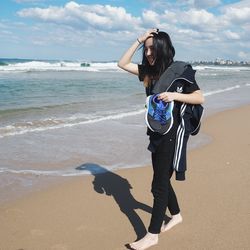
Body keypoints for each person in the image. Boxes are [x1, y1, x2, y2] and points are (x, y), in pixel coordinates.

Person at [118, 28, 204, 250]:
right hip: (156, 132)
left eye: (151, 48)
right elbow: (122, 63)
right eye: (145, 49)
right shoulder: (148, 72)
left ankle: (152, 234)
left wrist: (175, 95)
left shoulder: (180, 70)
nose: (147, 53)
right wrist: (139, 38)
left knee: (158, 185)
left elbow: (199, 97)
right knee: (162, 180)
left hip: (173, 134)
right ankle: (175, 215)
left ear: (162, 47)